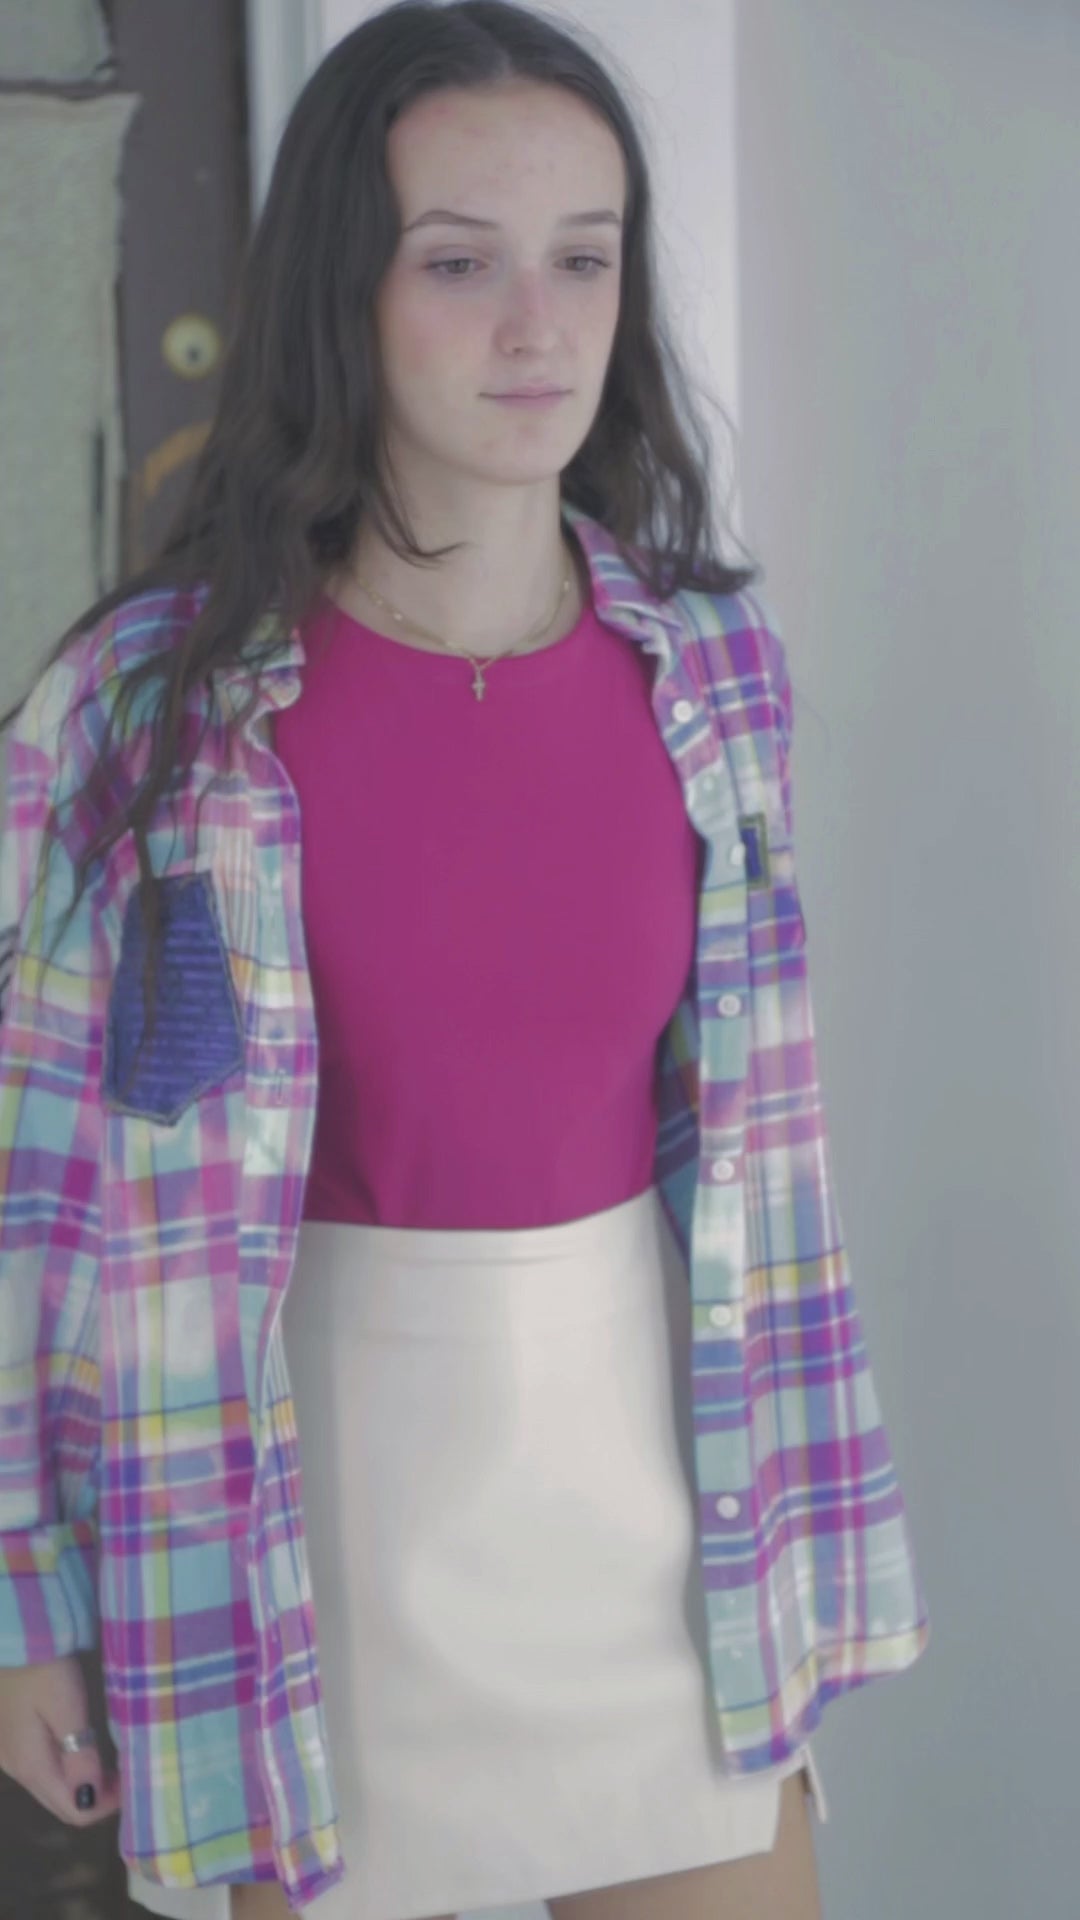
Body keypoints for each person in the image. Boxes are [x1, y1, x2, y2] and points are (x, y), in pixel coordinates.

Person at [0, 4, 931, 1918]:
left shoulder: (713, 672)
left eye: (584, 259)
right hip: (303, 1553)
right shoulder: (142, 712)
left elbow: (753, 1150)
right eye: (458, 263)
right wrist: (22, 1596)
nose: (537, 326)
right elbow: (33, 1191)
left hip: (667, 1528)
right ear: (343, 294)